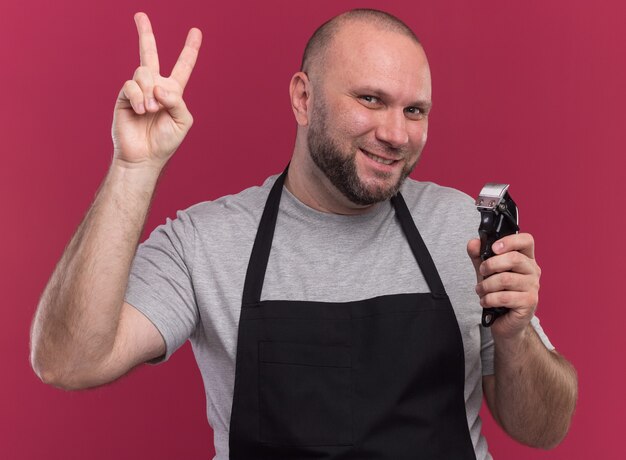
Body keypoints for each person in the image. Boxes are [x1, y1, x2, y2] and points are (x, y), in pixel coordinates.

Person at [30, 8, 577, 460]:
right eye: (370, 99)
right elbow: (69, 361)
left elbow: (544, 429)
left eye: (414, 110)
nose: (395, 134)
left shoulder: (462, 228)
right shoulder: (204, 243)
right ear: (303, 98)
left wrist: (514, 336)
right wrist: (133, 169)